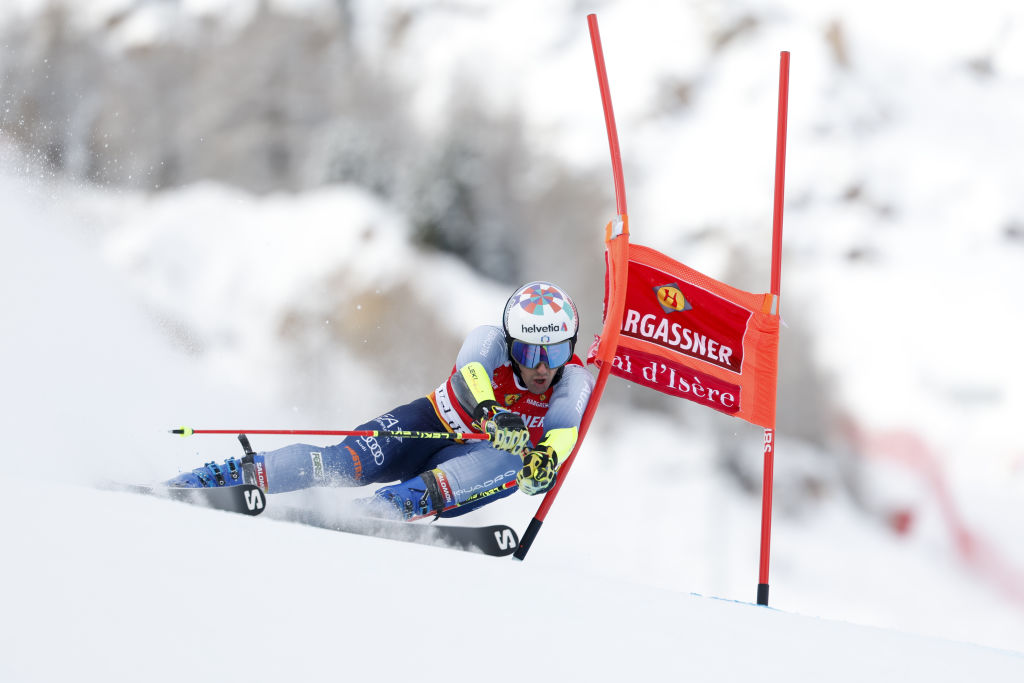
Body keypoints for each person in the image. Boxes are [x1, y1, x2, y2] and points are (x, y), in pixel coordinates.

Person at [165, 281, 596, 521]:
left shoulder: (574, 381)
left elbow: (562, 430)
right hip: (430, 424)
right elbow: (472, 372)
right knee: (343, 464)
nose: (541, 367)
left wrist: (547, 461)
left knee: (515, 464)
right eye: (528, 352)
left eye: (554, 353)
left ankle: (387, 508)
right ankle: (237, 474)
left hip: (479, 461)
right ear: (511, 342)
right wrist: (491, 412)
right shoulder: (489, 339)